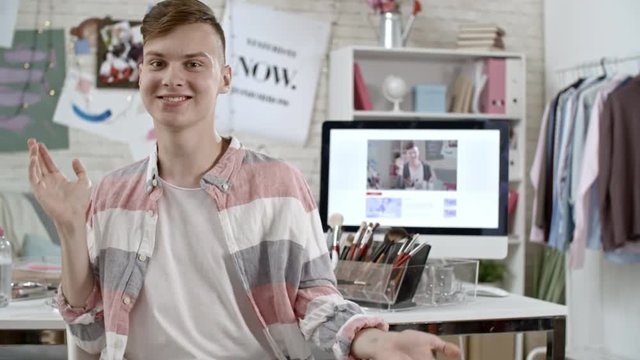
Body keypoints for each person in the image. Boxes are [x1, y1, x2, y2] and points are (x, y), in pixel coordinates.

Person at [26, 1, 460, 359]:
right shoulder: (112, 193)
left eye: (194, 63)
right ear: (140, 74)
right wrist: (69, 229)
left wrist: (377, 340)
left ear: (225, 79)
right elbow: (90, 332)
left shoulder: (278, 184)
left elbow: (316, 302)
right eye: (157, 62)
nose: (172, 77)